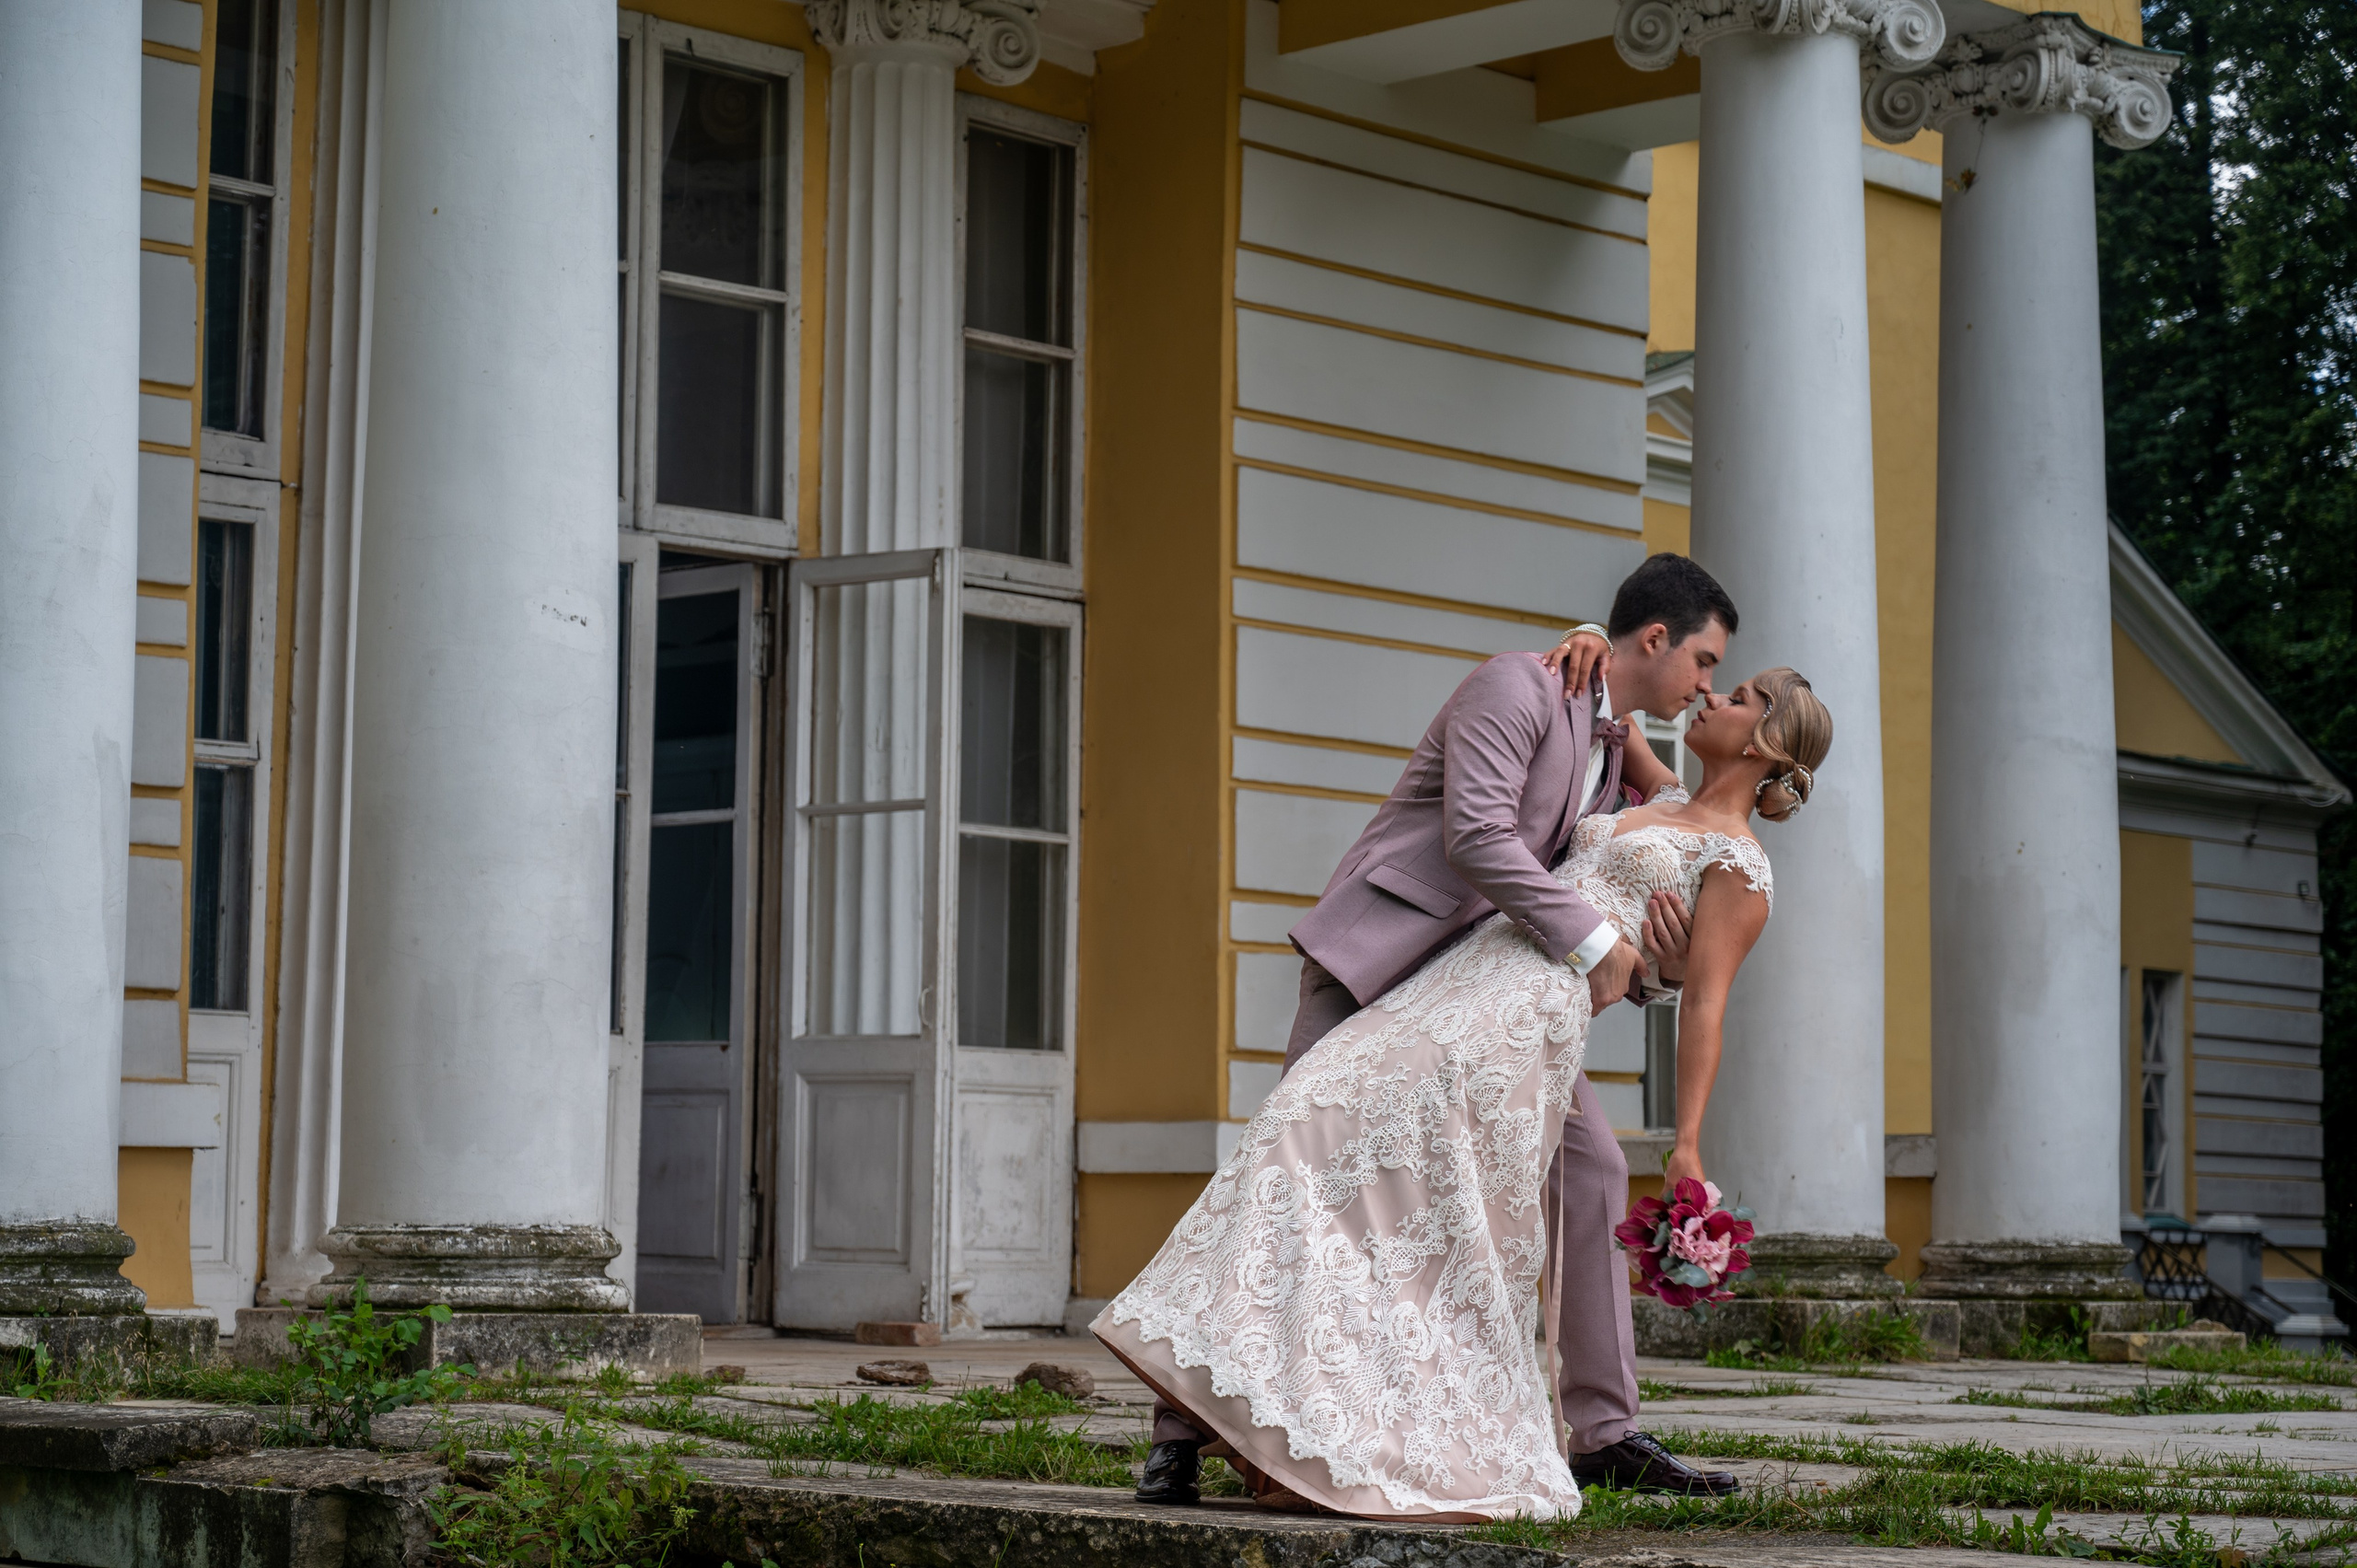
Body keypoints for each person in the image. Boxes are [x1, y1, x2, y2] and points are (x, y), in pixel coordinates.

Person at [1093, 631, 1832, 1518]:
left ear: (1762, 742)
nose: (1711, 689)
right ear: (1655, 639)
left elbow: (1701, 998)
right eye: (1707, 665)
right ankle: (1196, 1416)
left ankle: (1600, 1432)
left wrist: (1684, 1131)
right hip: (1425, 962)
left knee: (1531, 1176)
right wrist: (1591, 636)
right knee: (1304, 1136)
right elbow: (1572, 753)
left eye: (1735, 688)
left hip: (1524, 1011)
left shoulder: (1737, 860)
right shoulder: (1621, 756)